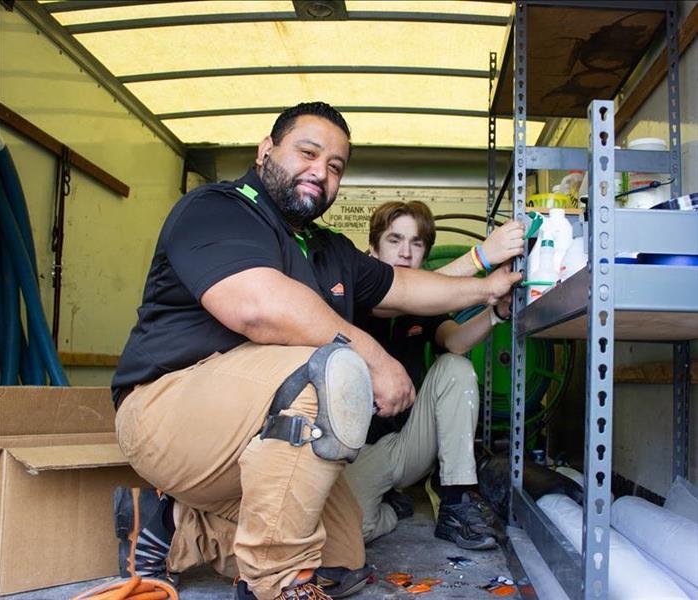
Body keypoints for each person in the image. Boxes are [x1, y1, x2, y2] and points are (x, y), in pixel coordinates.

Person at [110, 102, 521, 600]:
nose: (320, 172)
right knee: (331, 367)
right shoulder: (218, 208)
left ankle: (171, 526)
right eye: (308, 152)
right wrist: (374, 355)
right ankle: (278, 583)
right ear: (266, 151)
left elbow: (411, 289)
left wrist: (489, 284)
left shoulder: (327, 249)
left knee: (342, 553)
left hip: (254, 436)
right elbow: (258, 307)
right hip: (167, 413)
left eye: (335, 166)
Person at [344, 201, 524, 550]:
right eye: (395, 240)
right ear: (372, 250)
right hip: (358, 452)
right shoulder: (354, 289)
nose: (405, 252)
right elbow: (396, 296)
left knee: (455, 367)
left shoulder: (423, 306)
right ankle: (389, 506)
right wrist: (482, 258)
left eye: (416, 244)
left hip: (407, 445)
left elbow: (454, 341)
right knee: (353, 533)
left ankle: (455, 504)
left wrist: (496, 314)